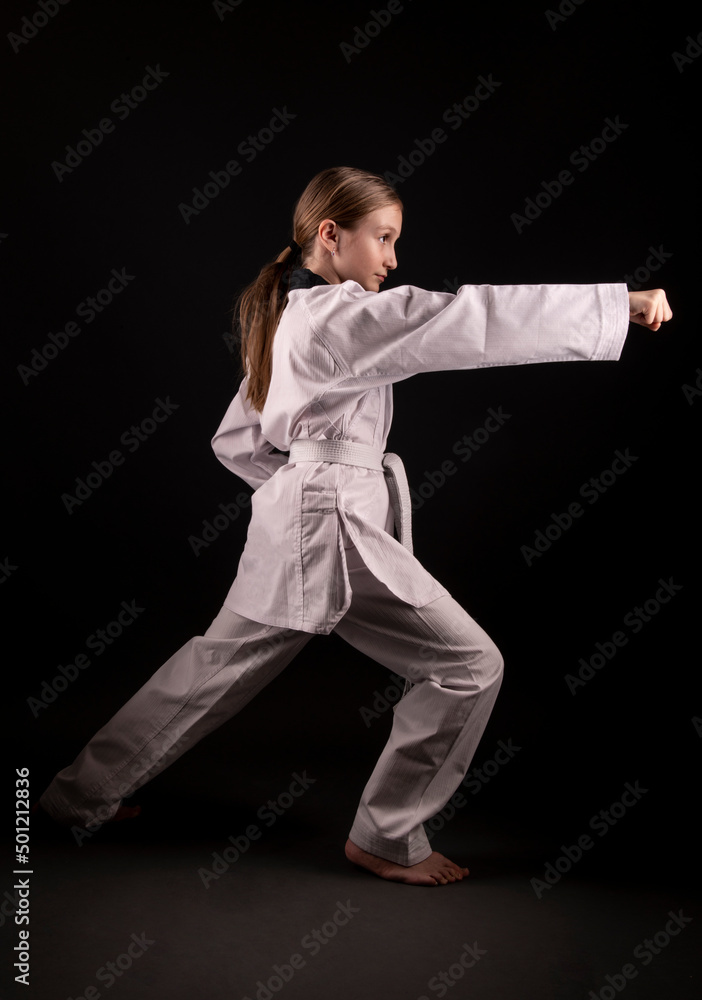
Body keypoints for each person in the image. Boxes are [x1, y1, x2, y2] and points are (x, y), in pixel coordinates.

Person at [35, 166, 672, 887]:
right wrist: (618, 304)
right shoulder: (338, 316)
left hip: (306, 513)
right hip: (335, 516)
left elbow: (237, 440)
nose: (393, 259)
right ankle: (386, 835)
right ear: (331, 236)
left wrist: (295, 493)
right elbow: (470, 318)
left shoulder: (286, 316)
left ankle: (76, 795)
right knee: (468, 668)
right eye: (384, 238)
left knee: (213, 665)